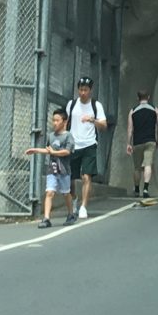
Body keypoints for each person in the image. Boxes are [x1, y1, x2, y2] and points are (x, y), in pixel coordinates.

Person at [61, 76, 107, 221]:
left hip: (89, 144)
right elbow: (65, 122)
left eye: (85, 90)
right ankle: (74, 200)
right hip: (73, 145)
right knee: (70, 178)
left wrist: (92, 120)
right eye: (80, 90)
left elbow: (104, 125)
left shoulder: (96, 105)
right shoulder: (72, 104)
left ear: (90, 90)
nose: (82, 93)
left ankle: (84, 207)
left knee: (86, 176)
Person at [24, 111, 73, 228]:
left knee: (66, 193)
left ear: (65, 122)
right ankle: (46, 218)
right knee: (49, 192)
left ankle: (71, 213)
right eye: (53, 120)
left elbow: (67, 151)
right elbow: (48, 150)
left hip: (64, 170)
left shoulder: (68, 136)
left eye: (57, 120)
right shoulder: (51, 136)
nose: (54, 123)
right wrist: (35, 150)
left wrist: (54, 152)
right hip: (52, 169)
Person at [126, 92, 158, 205]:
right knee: (148, 165)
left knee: (137, 167)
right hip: (150, 141)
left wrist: (128, 143)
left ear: (138, 98)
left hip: (137, 142)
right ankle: (145, 189)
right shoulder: (154, 109)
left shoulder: (133, 111)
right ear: (148, 97)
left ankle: (136, 189)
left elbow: (130, 128)